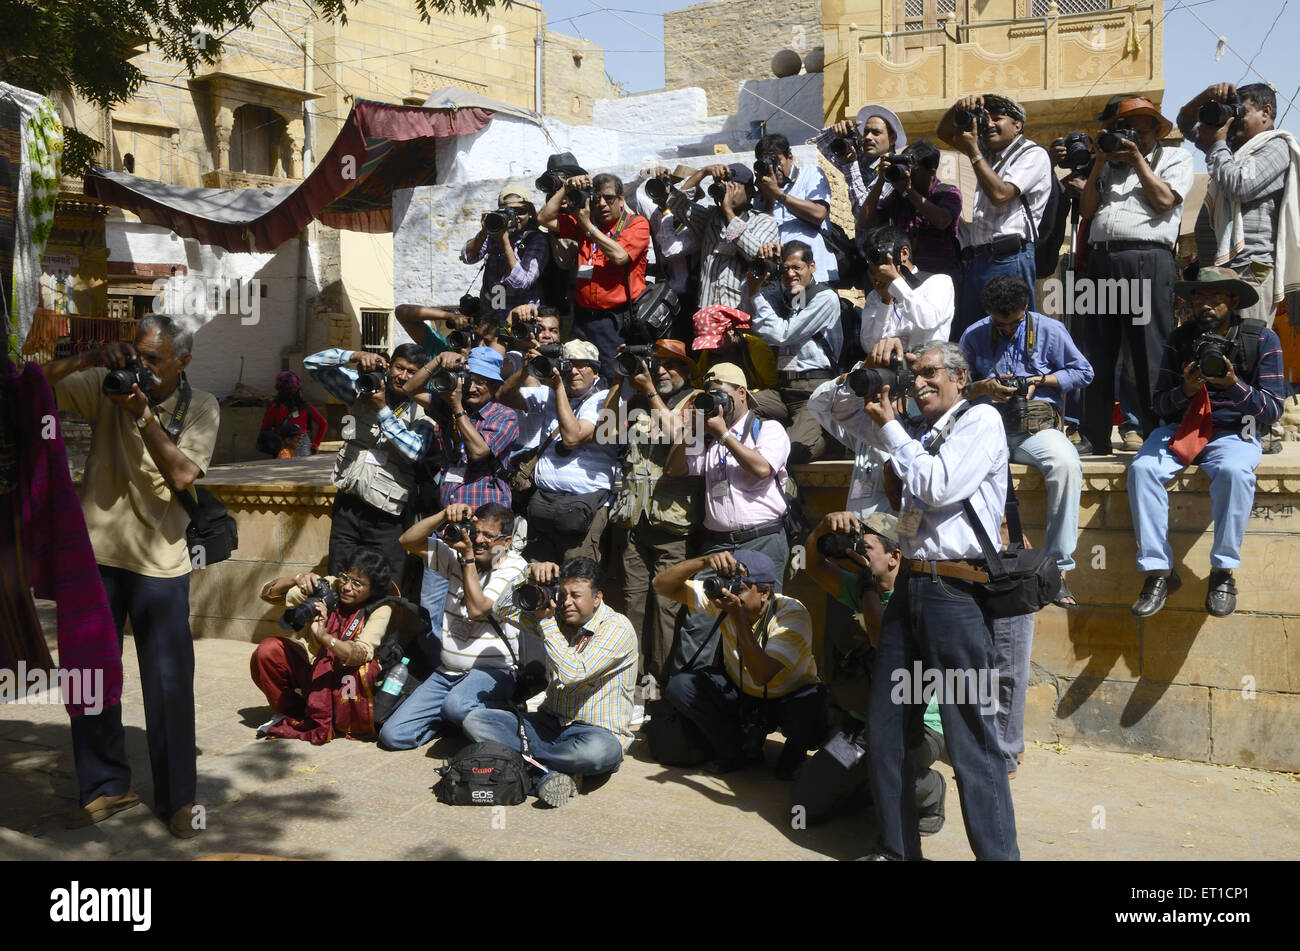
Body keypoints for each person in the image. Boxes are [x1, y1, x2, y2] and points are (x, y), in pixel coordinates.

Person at [42, 314, 219, 838]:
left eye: (153, 360)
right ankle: (105, 786)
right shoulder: (105, 385)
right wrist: (89, 359)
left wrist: (142, 413)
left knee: (168, 685)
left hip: (160, 564)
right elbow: (33, 390)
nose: (141, 367)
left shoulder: (202, 406)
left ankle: (179, 800)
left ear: (183, 362)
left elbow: (183, 474)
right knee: (89, 675)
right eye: (137, 355)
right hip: (95, 557)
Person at [854, 339, 1018, 861]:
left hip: (956, 595)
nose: (919, 382)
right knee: (886, 728)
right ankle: (897, 850)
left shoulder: (981, 420)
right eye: (914, 374)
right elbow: (915, 511)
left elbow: (939, 485)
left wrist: (890, 428)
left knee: (971, 740)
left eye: (930, 372)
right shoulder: (924, 435)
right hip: (912, 588)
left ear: (959, 377)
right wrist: (898, 545)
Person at [1128, 267, 1286, 619]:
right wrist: (1186, 389)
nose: (1206, 305)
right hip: (1182, 427)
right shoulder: (1180, 339)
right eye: (1200, 297)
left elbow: (1273, 409)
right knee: (1142, 469)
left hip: (1235, 430)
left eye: (1215, 297)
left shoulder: (1261, 338)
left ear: (1233, 301)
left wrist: (1233, 384)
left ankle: (1222, 572)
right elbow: (1159, 405)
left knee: (1234, 472)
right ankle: (1158, 572)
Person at [801, 511, 945, 832]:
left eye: (866, 548)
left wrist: (866, 582)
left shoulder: (915, 600)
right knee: (807, 803)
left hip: (917, 726)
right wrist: (823, 527)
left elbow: (880, 638)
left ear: (895, 557)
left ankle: (929, 788)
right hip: (864, 722)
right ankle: (864, 780)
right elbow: (812, 566)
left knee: (883, 761)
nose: (858, 554)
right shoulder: (860, 587)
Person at [959, 275, 1092, 605]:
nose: (1007, 330)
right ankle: (979, 561)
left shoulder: (1050, 330)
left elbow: (1084, 372)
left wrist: (1040, 380)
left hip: (1036, 429)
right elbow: (956, 388)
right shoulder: (973, 335)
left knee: (1066, 465)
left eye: (1015, 323)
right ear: (988, 313)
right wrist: (984, 387)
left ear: (1026, 307)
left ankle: (1057, 568)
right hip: (989, 430)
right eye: (999, 324)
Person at [462, 557, 637, 807]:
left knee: (598, 753)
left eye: (576, 595)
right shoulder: (558, 619)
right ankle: (549, 773)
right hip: (550, 723)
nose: (567, 602)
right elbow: (502, 609)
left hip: (595, 732)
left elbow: (573, 673)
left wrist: (545, 622)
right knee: (476, 721)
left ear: (597, 597)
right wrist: (528, 574)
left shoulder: (617, 627)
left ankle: (527, 765)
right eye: (563, 594)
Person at [1077, 96, 1194, 455]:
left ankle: (1154, 431)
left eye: (1140, 132)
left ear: (1156, 131)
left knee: (1148, 351)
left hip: (1147, 258)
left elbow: (1164, 201)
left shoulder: (1175, 158)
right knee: (1096, 351)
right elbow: (1086, 211)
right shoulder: (1108, 163)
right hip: (1102, 259)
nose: (1132, 138)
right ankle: (1094, 436)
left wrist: (1137, 161)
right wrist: (1100, 160)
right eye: (1125, 131)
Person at [654, 548, 825, 779]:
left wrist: (737, 616)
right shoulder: (725, 600)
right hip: (741, 692)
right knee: (681, 686)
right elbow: (661, 585)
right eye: (727, 583)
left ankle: (793, 756)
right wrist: (704, 561)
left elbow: (762, 675)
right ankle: (733, 751)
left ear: (764, 592)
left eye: (739, 588)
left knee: (812, 704)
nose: (728, 591)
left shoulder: (791, 615)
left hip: (787, 698)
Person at [377, 502, 529, 749]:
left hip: (493, 672)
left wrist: (467, 558)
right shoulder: (458, 556)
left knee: (456, 705)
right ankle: (456, 720)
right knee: (393, 735)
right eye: (475, 532)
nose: (478, 540)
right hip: (448, 672)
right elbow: (407, 541)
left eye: (488, 536)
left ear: (506, 541)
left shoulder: (514, 568)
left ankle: (502, 713)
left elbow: (477, 609)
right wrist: (443, 515)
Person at [605, 339, 703, 696]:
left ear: (687, 370)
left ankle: (661, 683)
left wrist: (649, 391)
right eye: (655, 364)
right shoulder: (637, 401)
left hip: (673, 523)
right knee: (632, 602)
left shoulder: (697, 401)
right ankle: (630, 680)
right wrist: (619, 378)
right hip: (635, 519)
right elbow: (605, 430)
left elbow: (681, 437)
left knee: (666, 606)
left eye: (670, 364)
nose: (660, 371)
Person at [253, 549, 417, 743]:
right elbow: (268, 594)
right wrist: (297, 579)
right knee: (268, 650)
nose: (346, 587)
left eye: (357, 584)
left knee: (367, 669)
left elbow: (362, 653)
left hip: (344, 678)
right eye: (345, 578)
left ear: (373, 589)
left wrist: (325, 638)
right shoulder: (331, 585)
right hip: (313, 666)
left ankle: (342, 717)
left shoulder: (381, 608)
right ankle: (292, 711)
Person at [304, 343, 435, 580]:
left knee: (385, 580)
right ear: (389, 365)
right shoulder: (364, 387)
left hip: (387, 513)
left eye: (412, 372)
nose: (403, 376)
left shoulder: (424, 407)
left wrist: (382, 409)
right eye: (399, 368)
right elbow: (312, 363)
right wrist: (354, 355)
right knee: (339, 575)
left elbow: (414, 451)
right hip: (348, 503)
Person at [1177, 82, 1300, 326]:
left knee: (1245, 343)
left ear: (1266, 112)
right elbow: (1185, 123)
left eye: (1241, 112)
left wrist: (1218, 145)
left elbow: (1240, 185)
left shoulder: (1276, 146)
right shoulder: (1229, 150)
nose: (1234, 120)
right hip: (1217, 273)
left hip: (1249, 272)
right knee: (1215, 345)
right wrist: (1206, 95)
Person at [937, 94, 1052, 340]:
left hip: (1011, 258)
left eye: (998, 118)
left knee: (1012, 334)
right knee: (974, 334)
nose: (989, 124)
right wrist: (959, 107)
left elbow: (1001, 194)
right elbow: (944, 132)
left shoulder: (1032, 154)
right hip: (980, 259)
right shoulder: (986, 153)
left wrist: (973, 151)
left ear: (1017, 125)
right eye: (985, 119)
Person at [499, 339, 617, 564]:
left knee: (576, 576)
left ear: (595, 371)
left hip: (586, 507)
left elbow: (572, 437)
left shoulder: (606, 399)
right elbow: (504, 396)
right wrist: (526, 369)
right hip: (544, 504)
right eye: (568, 365)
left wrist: (558, 387)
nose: (573, 371)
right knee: (537, 575)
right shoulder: (549, 393)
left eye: (581, 365)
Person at [537, 171, 650, 380]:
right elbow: (544, 218)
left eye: (609, 198)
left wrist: (587, 226)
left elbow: (619, 256)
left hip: (614, 320)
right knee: (578, 374)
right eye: (597, 199)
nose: (603, 204)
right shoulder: (587, 223)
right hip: (582, 317)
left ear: (621, 200)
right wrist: (566, 188)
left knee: (612, 376)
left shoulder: (636, 223)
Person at [746, 239, 843, 463]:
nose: (790, 274)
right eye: (785, 268)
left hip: (812, 392)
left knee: (790, 452)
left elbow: (783, 333)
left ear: (812, 266)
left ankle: (827, 439)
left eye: (797, 267)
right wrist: (759, 268)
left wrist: (756, 295)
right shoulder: (794, 296)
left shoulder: (825, 297)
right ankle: (777, 436)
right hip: (784, 389)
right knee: (737, 407)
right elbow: (750, 302)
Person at [662, 162, 779, 310]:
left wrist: (728, 212)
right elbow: (675, 203)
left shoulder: (764, 221)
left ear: (750, 192)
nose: (727, 192)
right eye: (724, 186)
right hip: (706, 311)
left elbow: (756, 255)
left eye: (733, 187)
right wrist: (703, 172)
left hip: (741, 312)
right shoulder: (710, 217)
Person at [859, 140, 964, 290]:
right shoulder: (898, 196)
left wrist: (909, 191)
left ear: (931, 172)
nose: (907, 173)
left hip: (941, 280)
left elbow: (942, 221)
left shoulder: (948, 193)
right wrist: (881, 180)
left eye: (912, 170)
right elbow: (865, 222)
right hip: (907, 280)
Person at [857, 225, 955, 367]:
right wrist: (886, 301)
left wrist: (896, 282)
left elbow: (928, 320)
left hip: (925, 369)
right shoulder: (875, 296)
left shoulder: (939, 282)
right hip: (888, 369)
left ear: (904, 253)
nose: (879, 268)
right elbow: (869, 346)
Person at [751, 133, 838, 284]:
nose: (773, 168)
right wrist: (769, 198)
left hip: (815, 271)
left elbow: (818, 214)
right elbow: (762, 234)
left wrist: (778, 194)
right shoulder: (762, 191)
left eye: (776, 160)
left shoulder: (810, 174)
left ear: (790, 157)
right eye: (767, 162)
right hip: (782, 277)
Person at [460, 182, 550, 323]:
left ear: (530, 213)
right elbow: (468, 257)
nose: (515, 217)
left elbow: (520, 283)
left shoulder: (536, 239)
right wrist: (484, 231)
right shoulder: (493, 235)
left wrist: (504, 242)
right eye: (509, 212)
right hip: (492, 315)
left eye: (520, 211)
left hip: (521, 318)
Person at [690, 304, 784, 422]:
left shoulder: (756, 347)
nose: (713, 349)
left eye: (715, 343)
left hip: (758, 397)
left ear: (730, 330)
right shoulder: (708, 354)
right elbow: (698, 383)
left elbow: (772, 385)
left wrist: (738, 394)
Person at [815, 104, 907, 217]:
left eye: (876, 133)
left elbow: (862, 211)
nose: (868, 137)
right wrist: (834, 131)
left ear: (892, 138)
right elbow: (820, 145)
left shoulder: (894, 170)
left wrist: (850, 166)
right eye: (866, 132)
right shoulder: (857, 155)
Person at [258, 370, 326, 456]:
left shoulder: (275, 408)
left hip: (282, 447)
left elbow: (265, 428)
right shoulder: (305, 407)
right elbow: (323, 423)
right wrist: (315, 444)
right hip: (303, 447)